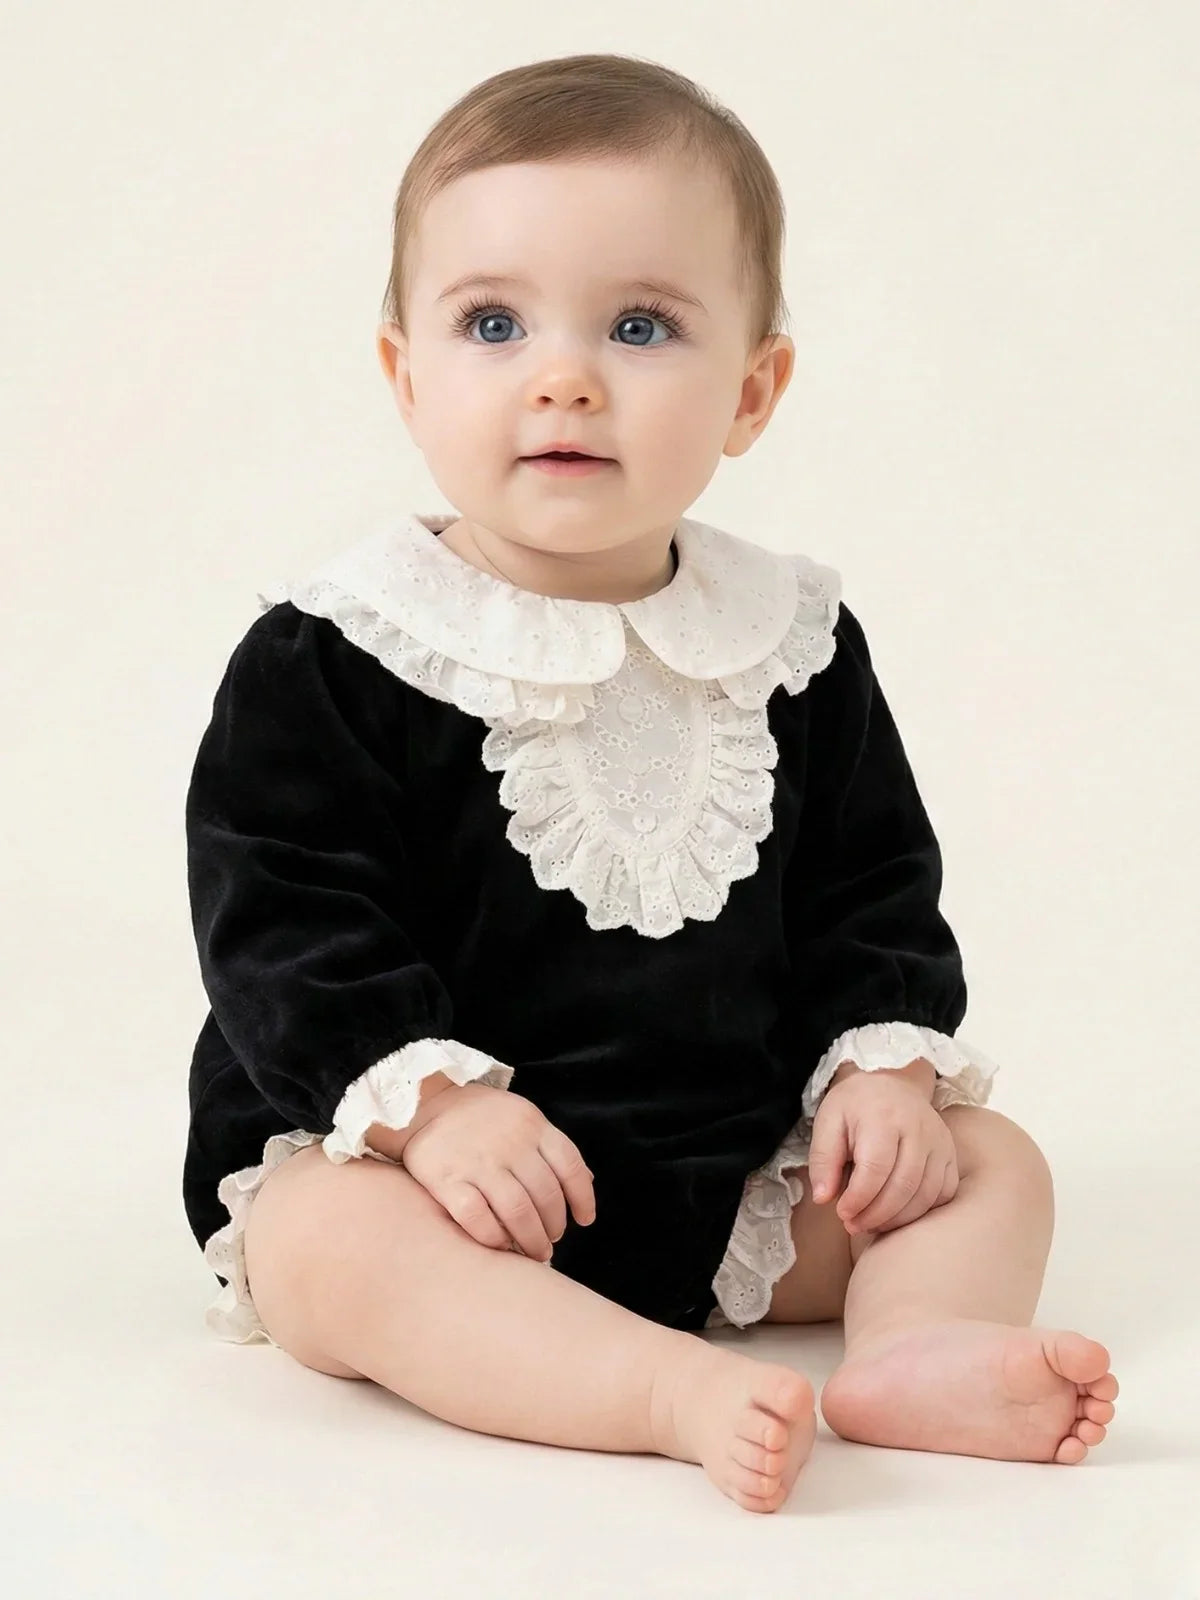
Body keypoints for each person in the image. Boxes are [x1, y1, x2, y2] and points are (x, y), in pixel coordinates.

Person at [181, 53, 1118, 1514]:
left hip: (723, 1167)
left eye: (640, 325)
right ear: (404, 375)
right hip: (436, 1188)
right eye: (494, 322)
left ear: (753, 391)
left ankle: (918, 1346)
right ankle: (657, 1390)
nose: (565, 375)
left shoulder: (789, 642)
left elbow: (873, 882)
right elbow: (283, 920)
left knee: (990, 1160)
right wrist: (431, 1113)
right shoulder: (341, 651)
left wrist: (880, 1067)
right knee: (326, 1251)